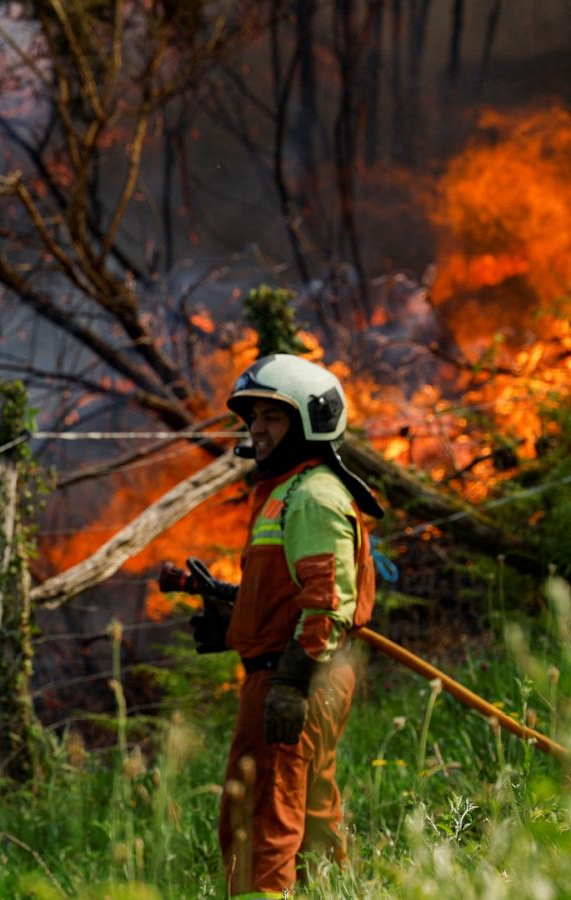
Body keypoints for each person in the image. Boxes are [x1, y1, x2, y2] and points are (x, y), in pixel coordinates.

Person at [166, 354, 383, 899]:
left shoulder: (311, 494)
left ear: (311, 421)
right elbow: (291, 590)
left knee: (259, 823)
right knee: (310, 818)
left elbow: (328, 603)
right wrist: (240, 618)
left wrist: (289, 683)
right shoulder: (287, 491)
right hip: (299, 674)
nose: (257, 429)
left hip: (294, 680)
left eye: (273, 417)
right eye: (253, 417)